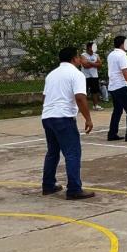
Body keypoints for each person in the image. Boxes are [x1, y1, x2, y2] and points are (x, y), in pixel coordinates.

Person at [41, 47, 95, 200]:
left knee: (52, 152)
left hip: (48, 116)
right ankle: (74, 189)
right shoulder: (76, 74)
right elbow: (80, 97)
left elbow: (45, 97)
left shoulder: (51, 75)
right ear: (74, 59)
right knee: (72, 153)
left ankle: (48, 185)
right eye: (78, 57)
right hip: (63, 117)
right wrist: (88, 118)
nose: (80, 59)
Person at [81, 42, 104, 111]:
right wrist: (95, 64)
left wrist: (90, 62)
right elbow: (85, 66)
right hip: (85, 76)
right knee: (84, 92)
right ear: (88, 48)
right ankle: (83, 107)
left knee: (95, 91)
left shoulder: (96, 55)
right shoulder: (83, 55)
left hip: (94, 76)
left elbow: (100, 65)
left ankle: (95, 105)